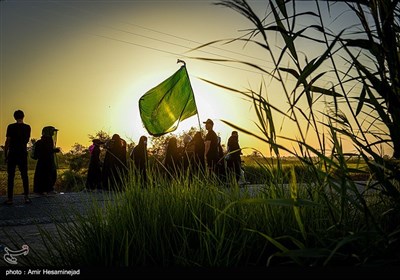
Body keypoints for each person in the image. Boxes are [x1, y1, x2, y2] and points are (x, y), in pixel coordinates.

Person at [3, 110, 32, 205]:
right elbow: (27, 140)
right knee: (24, 175)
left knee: (11, 176)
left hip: (12, 153)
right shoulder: (27, 127)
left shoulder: (10, 127)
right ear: (23, 116)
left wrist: (5, 154)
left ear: (14, 117)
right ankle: (26, 197)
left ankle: (10, 199)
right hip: (22, 153)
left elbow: (8, 141)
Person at [32, 126, 60, 195]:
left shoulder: (45, 140)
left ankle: (46, 190)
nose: (53, 133)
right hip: (46, 161)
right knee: (46, 175)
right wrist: (54, 150)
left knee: (47, 175)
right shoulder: (46, 140)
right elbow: (46, 151)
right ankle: (45, 190)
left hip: (44, 162)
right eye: (52, 131)